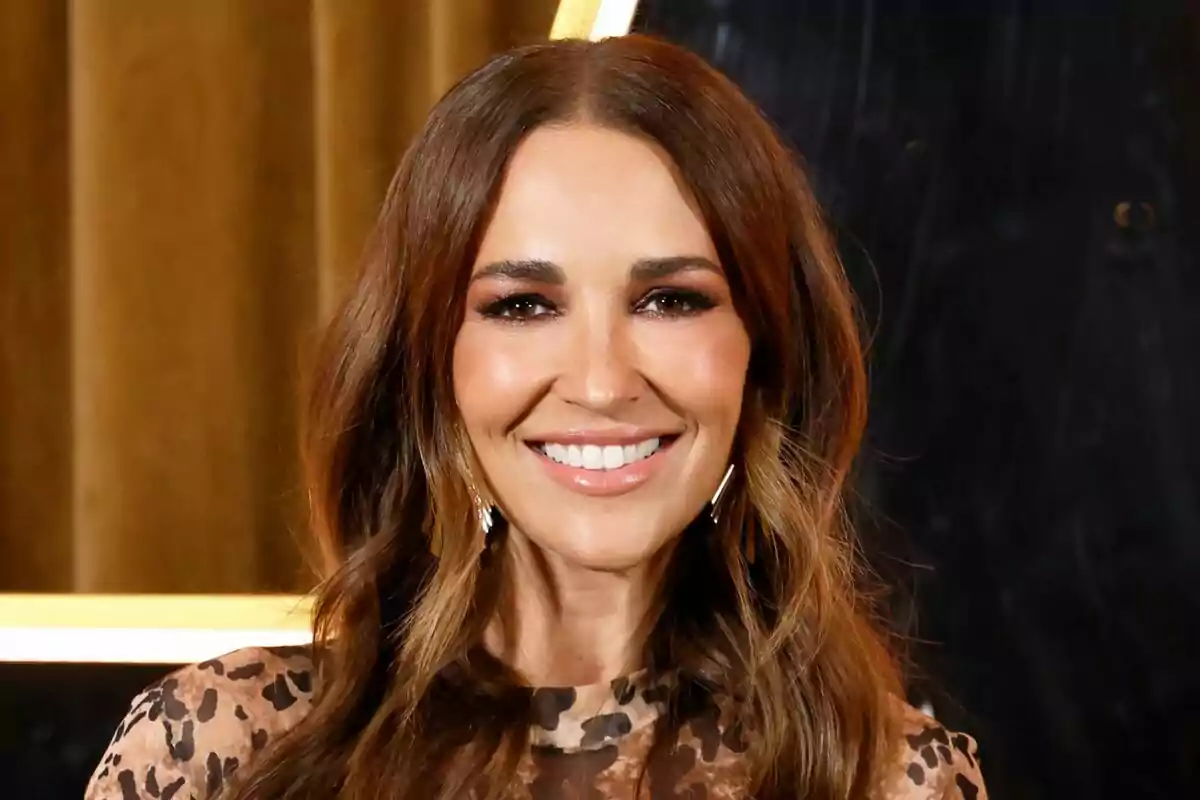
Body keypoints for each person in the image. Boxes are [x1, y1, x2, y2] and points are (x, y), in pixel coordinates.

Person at [85, 35, 987, 800]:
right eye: (521, 305)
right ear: (434, 365)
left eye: (671, 300)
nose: (600, 382)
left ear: (763, 353)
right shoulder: (225, 754)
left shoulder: (893, 779)